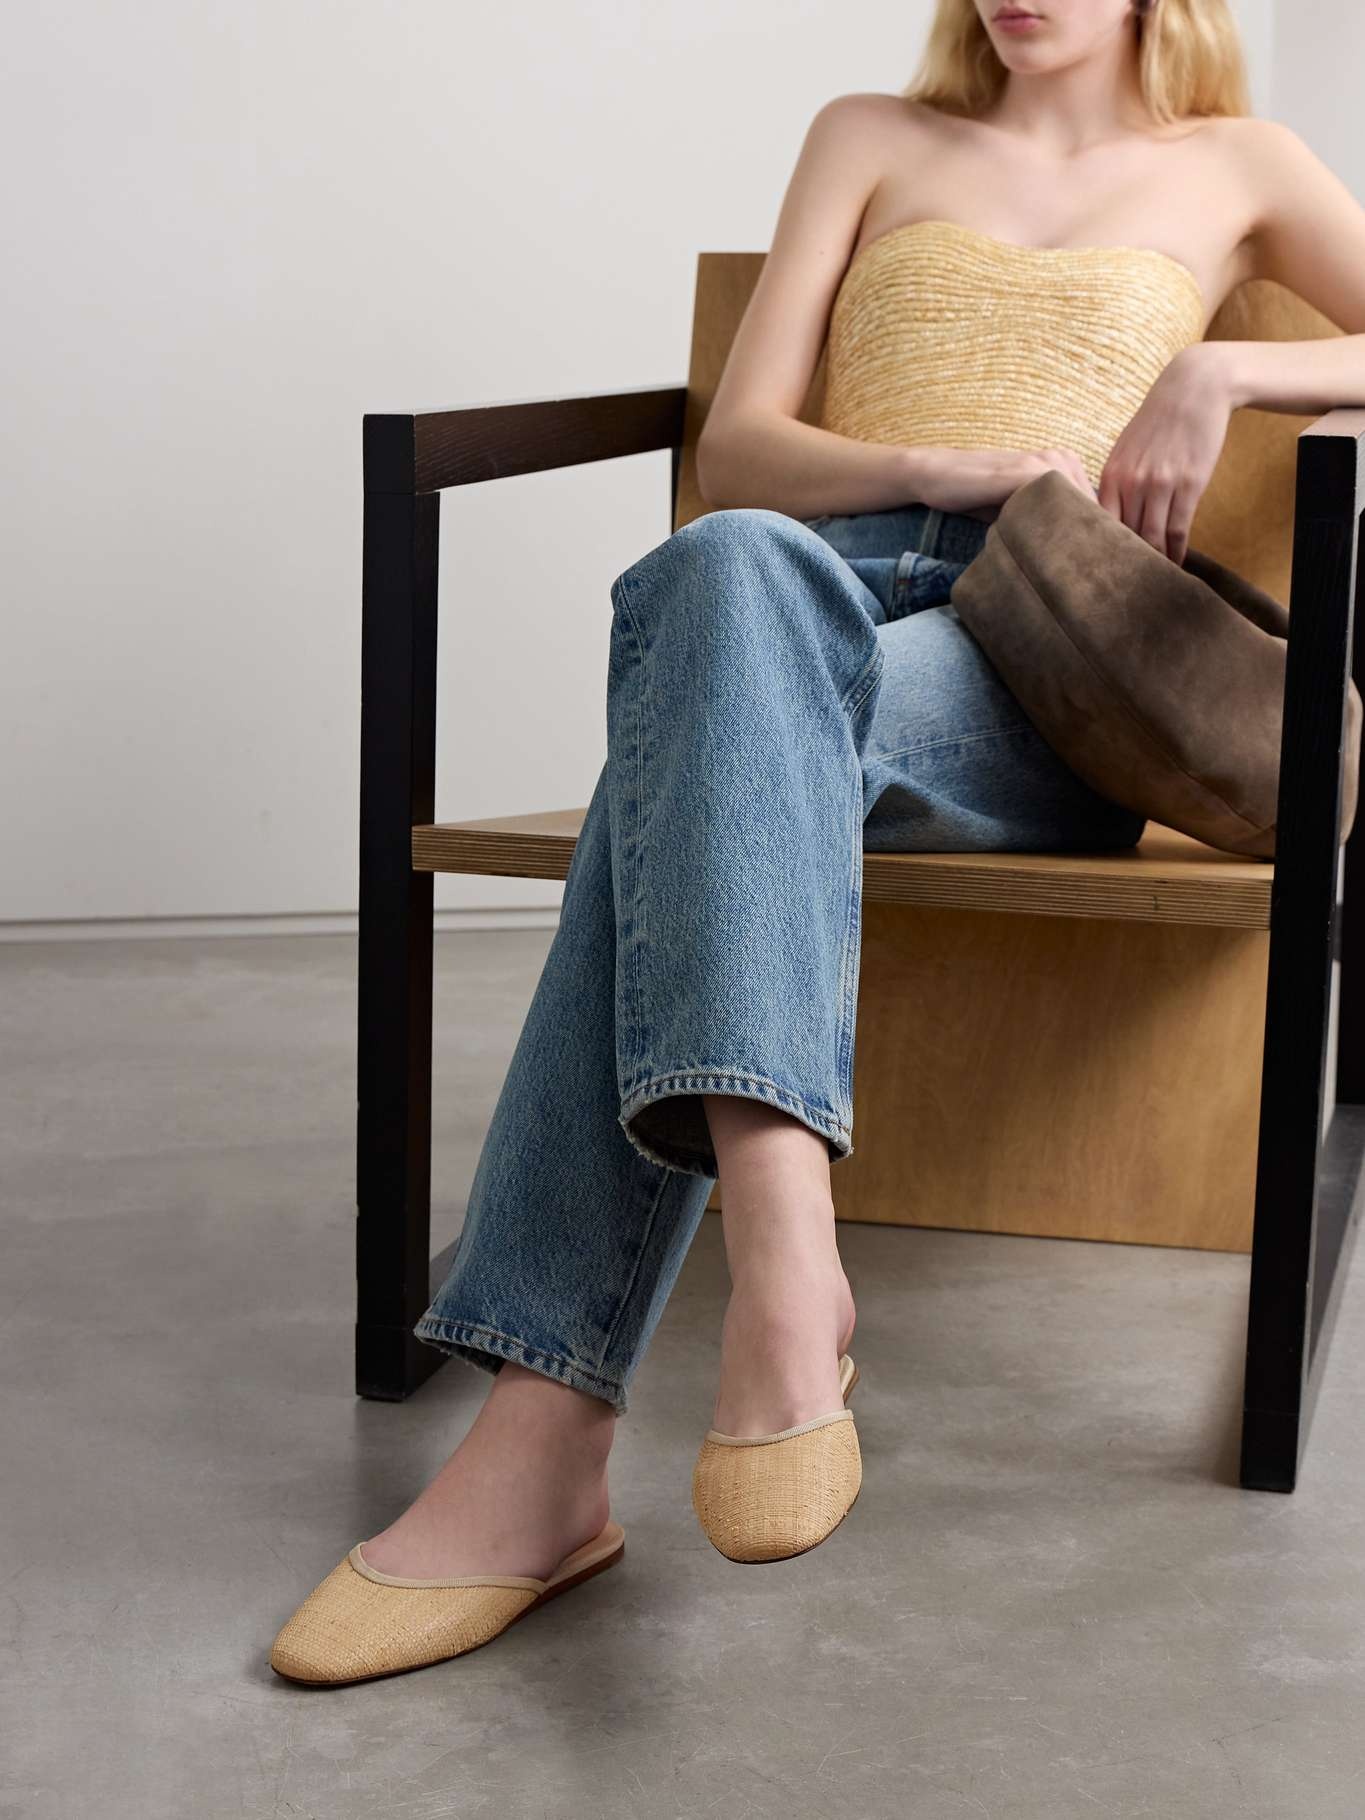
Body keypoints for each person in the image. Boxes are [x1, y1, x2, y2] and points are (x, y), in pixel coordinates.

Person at [269, 0, 1365, 1684]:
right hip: (802, 590)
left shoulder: (1245, 164)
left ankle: (542, 1444)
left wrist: (1224, 365)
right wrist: (942, 463)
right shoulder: (866, 131)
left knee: (686, 732)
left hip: (1032, 665)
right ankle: (789, 1254)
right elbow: (738, 451)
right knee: (722, 570)